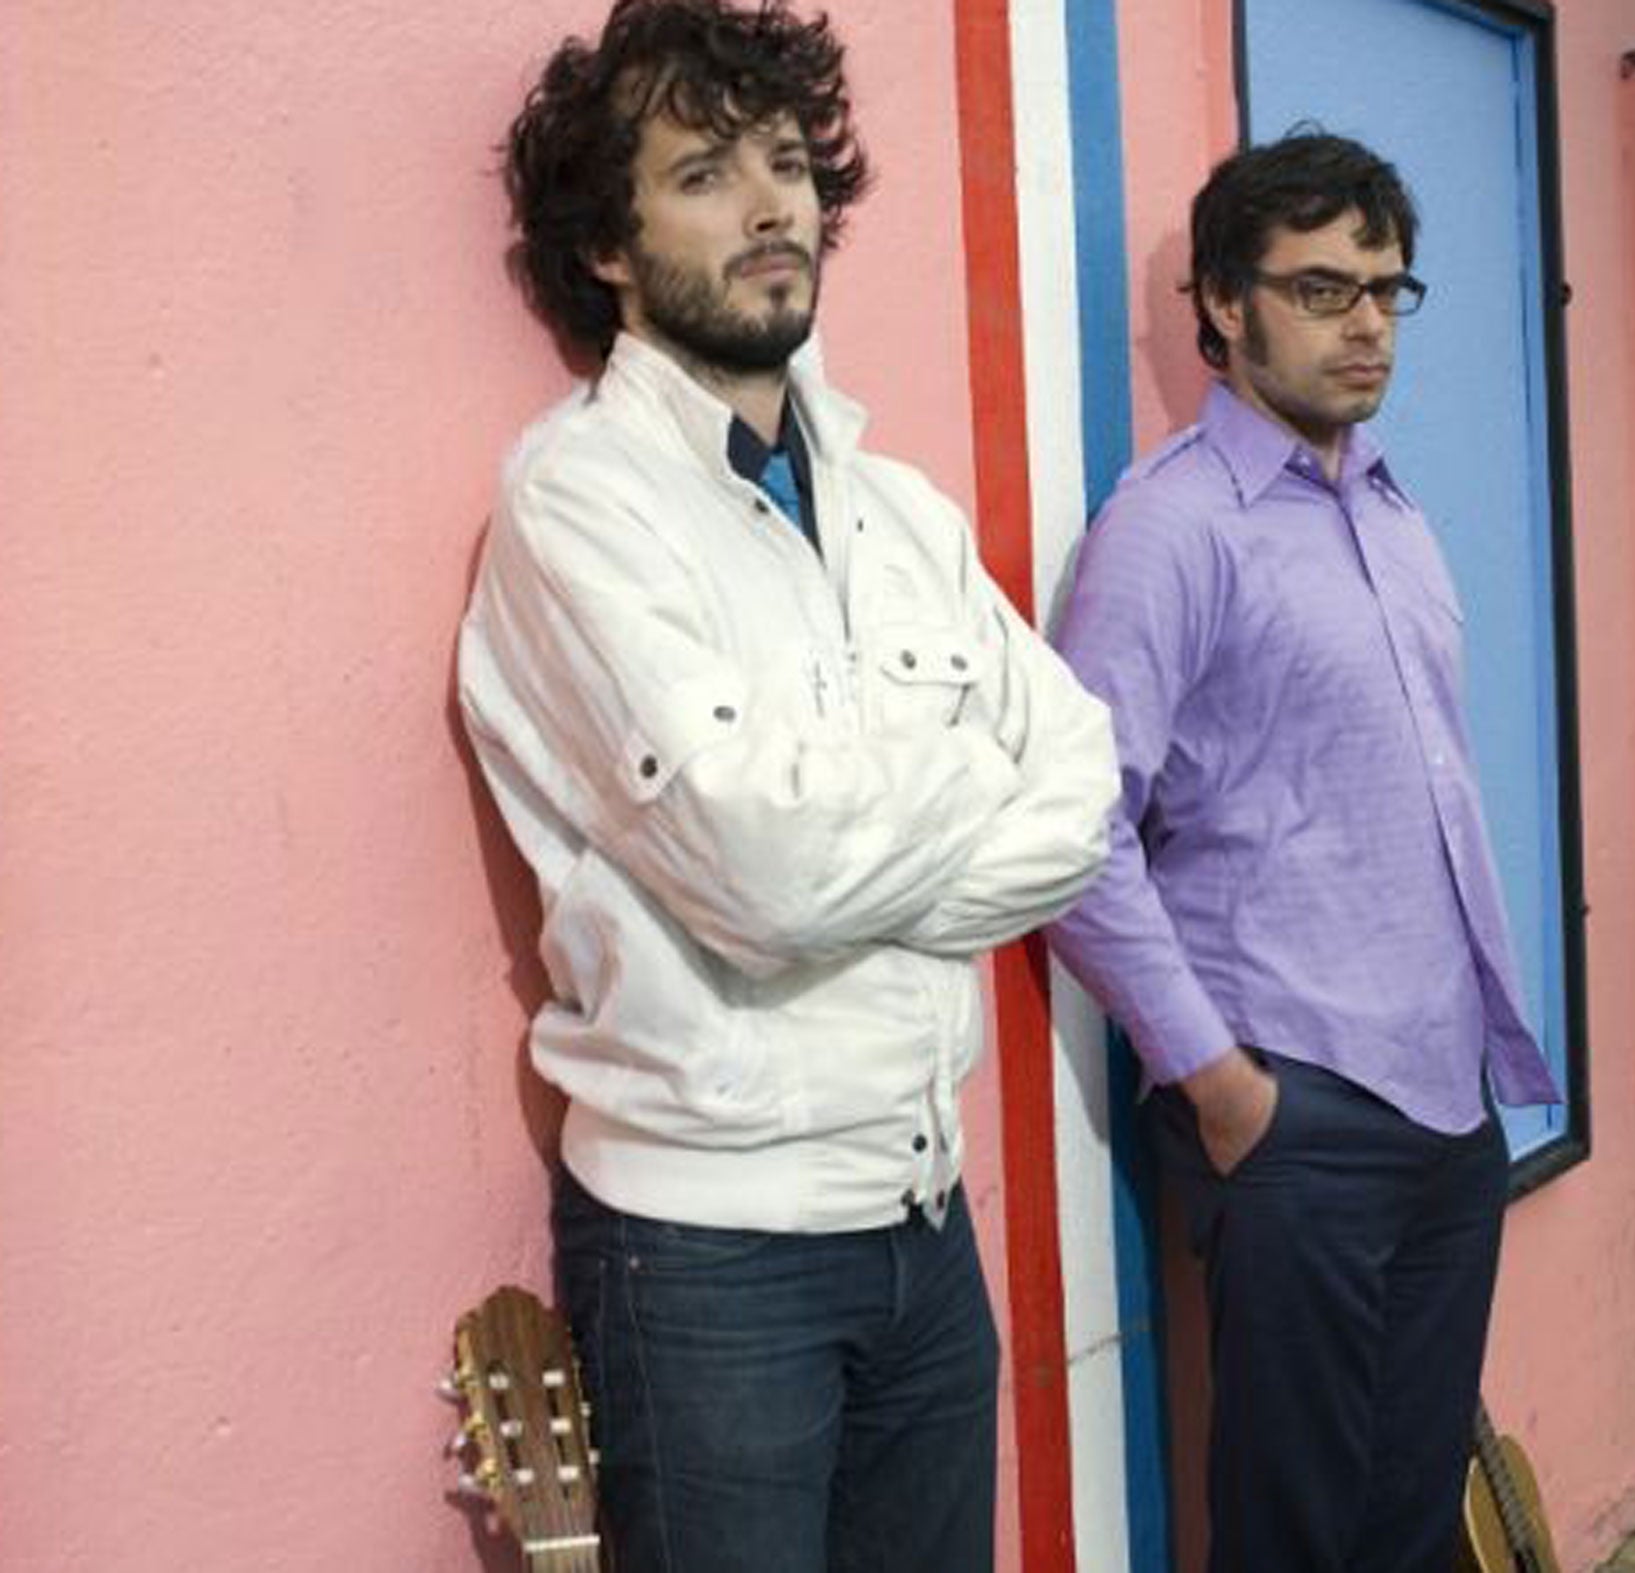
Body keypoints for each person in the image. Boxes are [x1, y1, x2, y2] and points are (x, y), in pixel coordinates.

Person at [457, 4, 1118, 1570]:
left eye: (786, 162)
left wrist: (860, 838)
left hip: (922, 1222)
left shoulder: (901, 510)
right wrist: (967, 774)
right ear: (607, 248)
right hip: (707, 1258)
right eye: (702, 173)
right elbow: (761, 882)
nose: (771, 207)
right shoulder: (578, 508)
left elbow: (1083, 790)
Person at [1047, 131, 1561, 1573]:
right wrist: (1217, 1080)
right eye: (1324, 287)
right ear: (1223, 304)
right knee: (1293, 1536)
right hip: (1295, 1111)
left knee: (1410, 1531)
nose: (1366, 324)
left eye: (1389, 291)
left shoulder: (1393, 514)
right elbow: (1075, 825)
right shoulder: (1172, 529)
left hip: (1444, 1108)